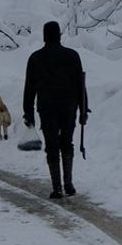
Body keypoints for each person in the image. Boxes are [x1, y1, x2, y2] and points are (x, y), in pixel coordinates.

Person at [23, 20, 89, 199]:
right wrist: (84, 109)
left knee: (52, 146)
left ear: (45, 36)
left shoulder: (35, 58)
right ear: (59, 35)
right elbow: (80, 85)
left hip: (47, 108)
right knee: (67, 143)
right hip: (69, 107)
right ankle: (68, 183)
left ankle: (57, 187)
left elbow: (29, 89)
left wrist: (28, 113)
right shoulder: (72, 56)